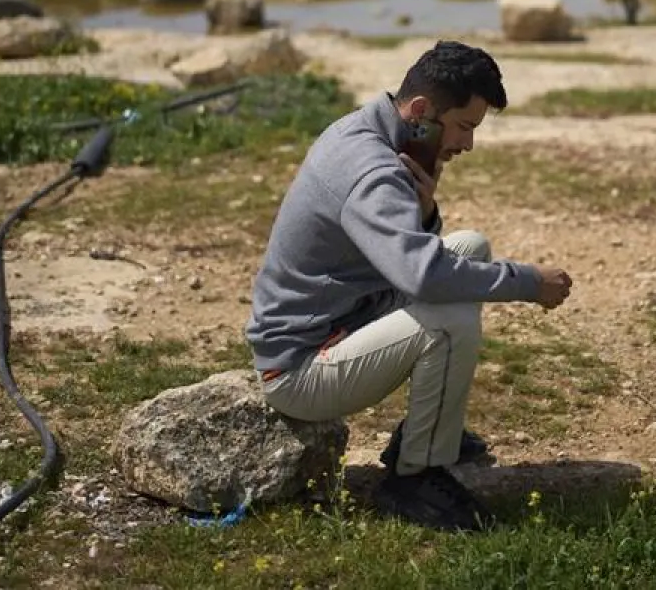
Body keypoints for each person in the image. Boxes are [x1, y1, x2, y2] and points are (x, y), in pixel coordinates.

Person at [245, 40, 574, 531]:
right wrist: (528, 282)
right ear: (421, 112)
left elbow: (412, 259)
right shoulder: (373, 170)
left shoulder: (370, 132)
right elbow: (425, 277)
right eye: (464, 127)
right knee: (450, 318)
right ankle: (415, 479)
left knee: (470, 247)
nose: (467, 144)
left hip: (344, 320)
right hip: (299, 370)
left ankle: (424, 435)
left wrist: (424, 213)